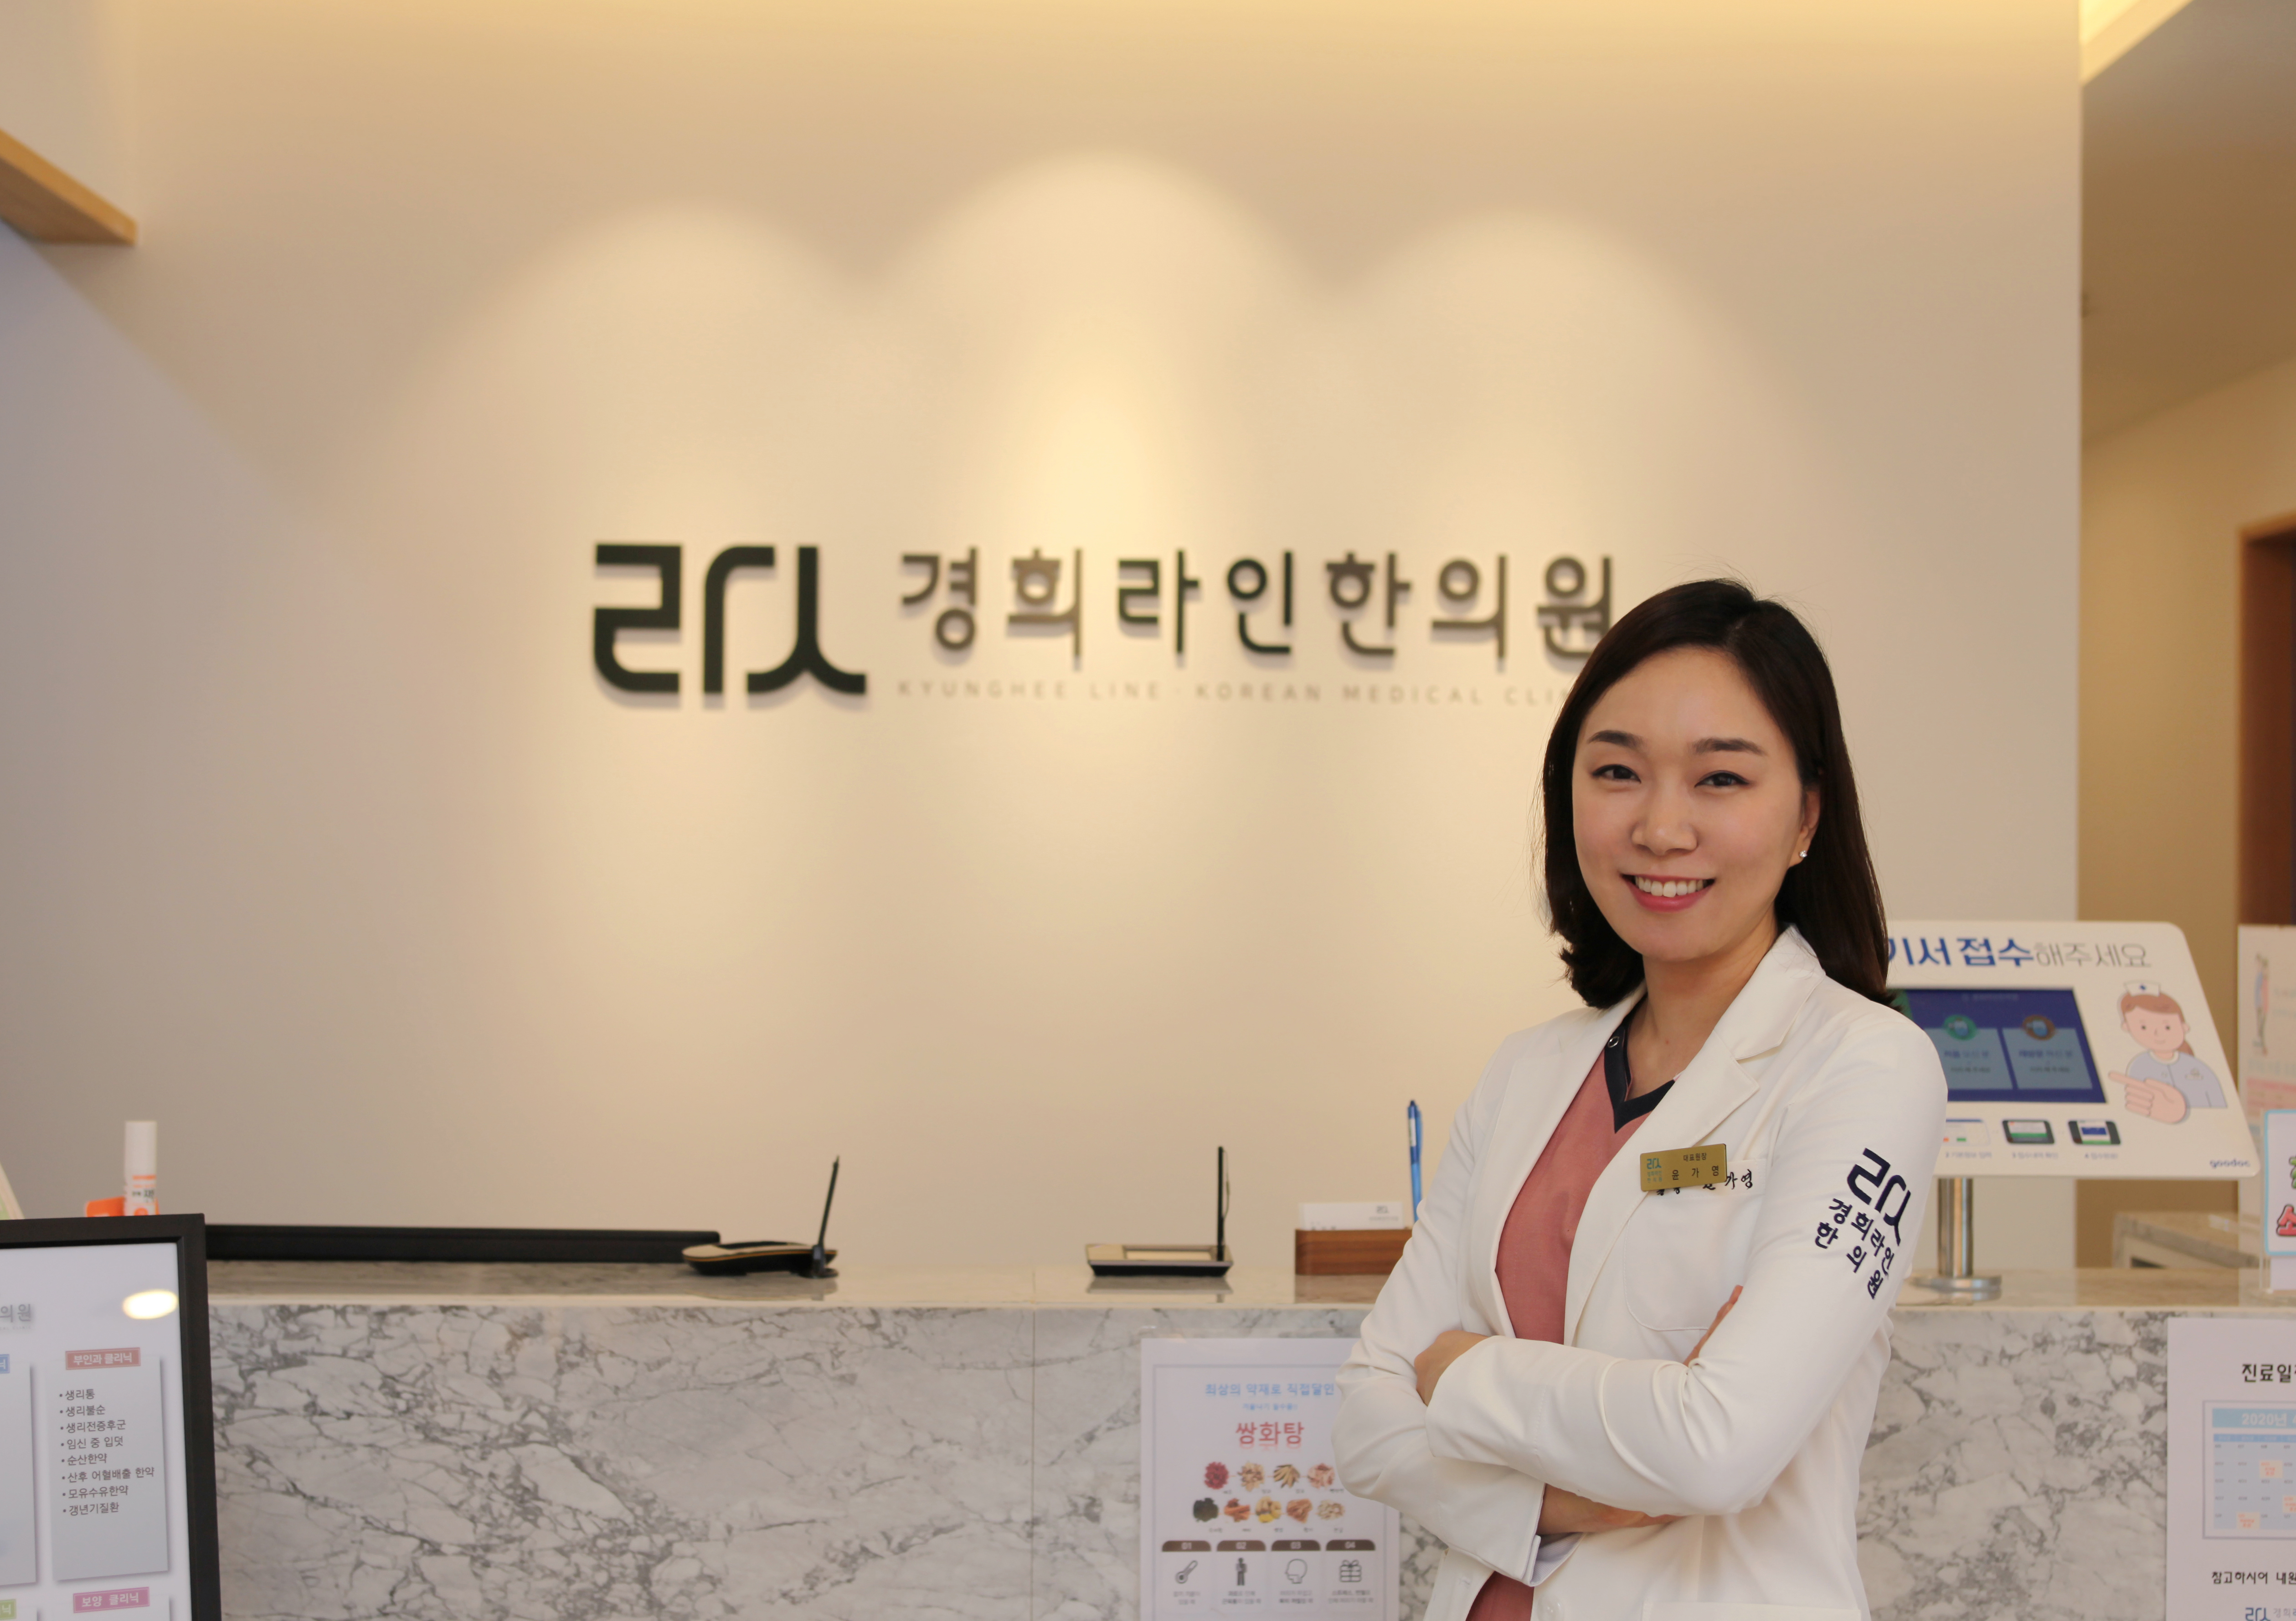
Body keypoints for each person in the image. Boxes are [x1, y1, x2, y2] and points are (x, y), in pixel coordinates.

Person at [1334, 580, 1947, 1621]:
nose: (1660, 827)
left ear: (1805, 814)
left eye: (1719, 778)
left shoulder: (1866, 1069)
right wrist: (1566, 1495)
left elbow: (1716, 1445)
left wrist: (1463, 1371)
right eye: (1615, 771)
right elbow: (1364, 1417)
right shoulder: (1525, 1070)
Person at [2109, 983, 2224, 1124]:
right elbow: (2133, 1112)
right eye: (2144, 1027)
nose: (2158, 1034)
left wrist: (2182, 1114)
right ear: (2127, 1027)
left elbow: (2222, 1113)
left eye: (2167, 1027)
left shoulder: (2199, 1068)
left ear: (2184, 1026)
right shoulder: (2139, 1066)